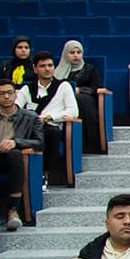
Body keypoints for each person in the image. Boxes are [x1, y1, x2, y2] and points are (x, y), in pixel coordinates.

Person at [16, 50, 80, 178]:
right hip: (31, 127)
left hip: (52, 126)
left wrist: (50, 117)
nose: (47, 69)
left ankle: (45, 174)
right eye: (42, 66)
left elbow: (73, 111)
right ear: (35, 69)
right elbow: (16, 108)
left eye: (50, 65)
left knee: (52, 132)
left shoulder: (64, 86)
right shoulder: (27, 89)